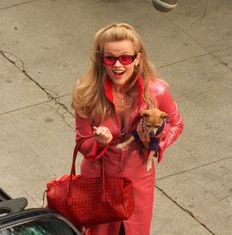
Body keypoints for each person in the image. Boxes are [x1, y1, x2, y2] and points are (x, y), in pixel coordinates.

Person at [72, 23, 184, 235]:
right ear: (101, 59)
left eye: (125, 58)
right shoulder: (87, 94)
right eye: (110, 58)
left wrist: (157, 141)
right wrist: (99, 141)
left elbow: (177, 123)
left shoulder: (156, 90)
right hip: (99, 184)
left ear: (137, 58)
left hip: (138, 184)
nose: (117, 65)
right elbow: (82, 143)